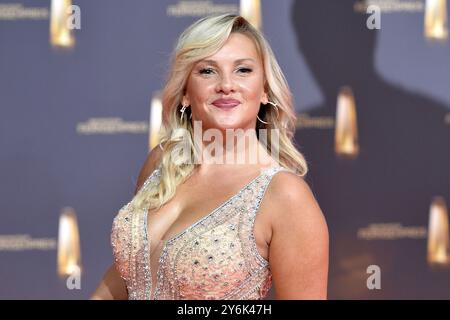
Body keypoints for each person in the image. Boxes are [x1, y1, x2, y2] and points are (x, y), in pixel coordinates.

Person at [91, 13, 328, 300]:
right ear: (185, 93)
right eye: (207, 71)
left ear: (264, 90)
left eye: (243, 70)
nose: (226, 84)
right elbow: (129, 274)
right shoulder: (163, 162)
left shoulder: (285, 195)